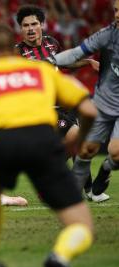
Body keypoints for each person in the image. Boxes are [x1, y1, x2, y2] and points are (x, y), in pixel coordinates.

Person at [0, 25, 96, 267]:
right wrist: (77, 141)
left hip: (1, 141)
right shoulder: (40, 71)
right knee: (82, 226)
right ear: (13, 50)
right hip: (43, 139)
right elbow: (89, 110)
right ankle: (60, 256)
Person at [52, 0, 119, 202]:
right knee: (87, 149)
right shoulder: (107, 34)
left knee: (116, 154)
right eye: (116, 10)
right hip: (104, 103)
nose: (117, 15)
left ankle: (106, 169)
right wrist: (51, 61)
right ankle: (74, 196)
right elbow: (76, 53)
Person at [15, 5, 98, 154]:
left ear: (41, 24)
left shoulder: (51, 43)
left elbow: (62, 62)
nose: (30, 29)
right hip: (43, 108)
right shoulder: (16, 52)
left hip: (63, 104)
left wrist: (88, 62)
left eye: (34, 24)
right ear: (21, 29)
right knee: (78, 138)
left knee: (75, 149)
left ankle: (64, 173)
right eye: (25, 25)